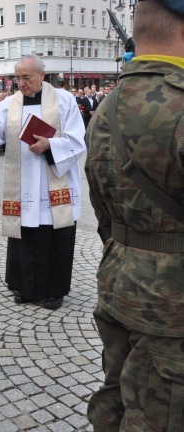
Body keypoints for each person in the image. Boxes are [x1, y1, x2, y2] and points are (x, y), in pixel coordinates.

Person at [85, 1, 184, 429]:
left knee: (115, 398)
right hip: (173, 306)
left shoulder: (106, 107)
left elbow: (101, 206)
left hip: (119, 281)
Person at [0, 54, 86, 310]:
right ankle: (27, 288)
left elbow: (78, 141)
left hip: (53, 180)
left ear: (42, 76)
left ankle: (55, 291)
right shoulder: (7, 104)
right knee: (25, 236)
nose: (21, 83)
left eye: (27, 77)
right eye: (17, 78)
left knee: (56, 238)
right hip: (22, 184)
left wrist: (50, 145)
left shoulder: (64, 100)